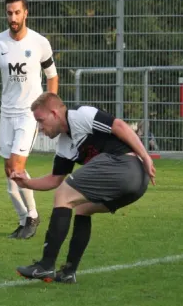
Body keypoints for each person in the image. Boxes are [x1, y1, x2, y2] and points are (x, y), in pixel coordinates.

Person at [12, 92, 156, 283]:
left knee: (64, 193)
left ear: (54, 113)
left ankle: (46, 265)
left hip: (125, 166)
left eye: (40, 120)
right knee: (81, 208)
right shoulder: (64, 143)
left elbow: (119, 125)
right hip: (136, 185)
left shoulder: (80, 115)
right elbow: (54, 179)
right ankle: (69, 272)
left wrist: (146, 157)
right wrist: (26, 183)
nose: (40, 127)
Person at [0, 0, 59, 240]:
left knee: (17, 168)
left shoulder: (39, 42)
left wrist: (49, 108)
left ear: (25, 13)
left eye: (17, 13)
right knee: (9, 171)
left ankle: (31, 216)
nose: (13, 18)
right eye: (9, 13)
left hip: (30, 114)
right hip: (6, 113)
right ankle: (24, 219)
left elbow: (52, 76)